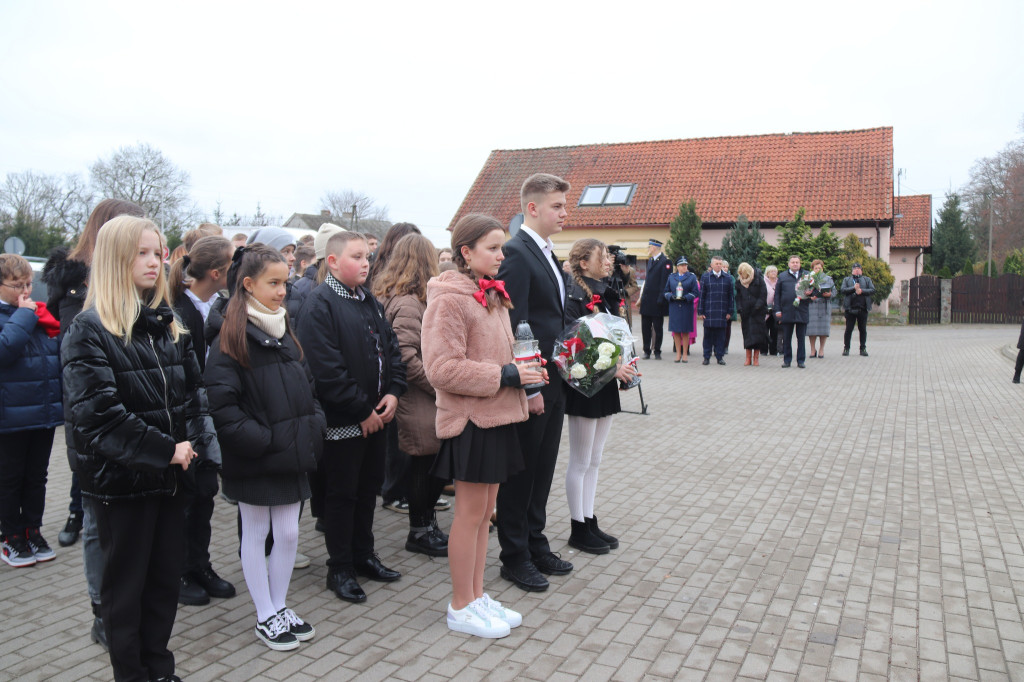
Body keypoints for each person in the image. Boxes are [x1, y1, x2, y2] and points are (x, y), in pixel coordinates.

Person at [62, 215, 215, 682]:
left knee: (163, 584)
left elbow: (195, 397)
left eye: (158, 252)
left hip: (169, 481)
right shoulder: (88, 330)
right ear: (115, 259)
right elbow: (98, 416)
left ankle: (159, 669)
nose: (155, 261)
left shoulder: (167, 325)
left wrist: (202, 456)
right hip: (122, 485)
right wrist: (166, 449)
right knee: (125, 593)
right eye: (142, 253)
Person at [423, 213, 541, 638]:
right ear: (465, 252)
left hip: (499, 415)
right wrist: (507, 376)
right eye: (492, 247)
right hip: (471, 421)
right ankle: (460, 604)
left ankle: (476, 595)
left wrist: (528, 377)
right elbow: (441, 368)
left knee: (486, 513)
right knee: (470, 515)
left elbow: (502, 354)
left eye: (502, 247)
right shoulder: (449, 300)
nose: (500, 255)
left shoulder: (491, 295)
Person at [205, 244, 325, 651]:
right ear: (248, 284)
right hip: (256, 457)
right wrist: (263, 441)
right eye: (273, 283)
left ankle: (280, 604)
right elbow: (223, 405)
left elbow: (309, 389)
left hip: (291, 452)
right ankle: (264, 614)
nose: (282, 291)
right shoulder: (230, 337)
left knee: (289, 533)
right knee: (257, 532)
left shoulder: (285, 331)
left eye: (284, 282)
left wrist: (312, 426)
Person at [41, 198, 145, 651]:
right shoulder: (75, 285)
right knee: (94, 520)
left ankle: (131, 603)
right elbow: (76, 354)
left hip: (140, 416)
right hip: (94, 416)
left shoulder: (144, 287)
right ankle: (101, 608)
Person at [296, 231, 406, 604]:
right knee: (341, 496)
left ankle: (363, 554)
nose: (366, 263)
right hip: (344, 422)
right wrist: (362, 411)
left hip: (376, 418)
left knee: (366, 491)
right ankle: (339, 566)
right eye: (357, 257)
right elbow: (326, 369)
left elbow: (390, 349)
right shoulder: (320, 304)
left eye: (367, 257)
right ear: (332, 261)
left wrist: (393, 392)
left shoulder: (368, 300)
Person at [495, 173, 572, 593]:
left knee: (543, 468)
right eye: (557, 206)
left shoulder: (545, 250)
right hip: (534, 382)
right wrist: (531, 388)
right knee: (522, 471)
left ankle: (536, 541)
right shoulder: (517, 252)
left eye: (564, 205)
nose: (565, 212)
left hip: (555, 376)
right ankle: (515, 555)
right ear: (533, 208)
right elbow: (516, 324)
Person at [169, 236, 236, 606]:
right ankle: (179, 570)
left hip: (212, 415)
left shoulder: (221, 304)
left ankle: (200, 564)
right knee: (186, 497)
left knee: (206, 494)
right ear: (216, 272)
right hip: (185, 417)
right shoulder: (177, 308)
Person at [373, 233, 449, 557]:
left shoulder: (410, 297)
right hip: (417, 395)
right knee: (423, 462)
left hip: (420, 393)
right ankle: (420, 530)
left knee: (429, 462)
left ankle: (427, 524)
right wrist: (438, 386)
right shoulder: (407, 302)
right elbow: (405, 355)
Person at [563, 239, 638, 554]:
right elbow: (571, 346)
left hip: (606, 383)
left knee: (595, 459)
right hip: (585, 386)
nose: (609, 260)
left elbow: (615, 335)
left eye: (609, 256)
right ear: (583, 263)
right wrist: (610, 368)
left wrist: (624, 362)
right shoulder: (573, 297)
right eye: (602, 256)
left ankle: (590, 519)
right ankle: (577, 527)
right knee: (580, 460)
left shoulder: (606, 294)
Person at [0, 254, 62, 568]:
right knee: (10, 478)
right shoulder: (24, 315)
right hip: (9, 416)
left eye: (28, 284)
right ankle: (10, 536)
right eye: (15, 286)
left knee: (37, 477)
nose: (25, 292)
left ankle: (32, 529)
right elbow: (5, 350)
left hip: (42, 411)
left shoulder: (35, 314)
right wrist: (24, 316)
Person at [364, 223, 425, 513]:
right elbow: (404, 352)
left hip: (391, 383)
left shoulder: (384, 289)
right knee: (403, 445)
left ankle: (398, 491)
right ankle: (397, 493)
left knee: (397, 443)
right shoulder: (409, 301)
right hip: (404, 387)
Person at [776, 255, 811, 368]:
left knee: (801, 338)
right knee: (787, 338)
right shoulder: (782, 276)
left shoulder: (807, 275)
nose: (795, 264)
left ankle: (801, 361)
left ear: (800, 263)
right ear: (789, 264)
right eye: (793, 262)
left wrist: (810, 294)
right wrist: (777, 310)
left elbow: (815, 292)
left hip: (802, 310)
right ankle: (787, 360)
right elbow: (777, 295)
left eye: (797, 262)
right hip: (787, 311)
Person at [638, 239, 671, 359]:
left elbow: (664, 281)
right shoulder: (651, 260)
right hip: (647, 300)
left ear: (655, 247)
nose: (648, 248)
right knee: (645, 327)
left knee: (657, 327)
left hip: (657, 301)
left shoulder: (665, 261)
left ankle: (657, 350)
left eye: (650, 246)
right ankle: (646, 350)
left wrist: (661, 298)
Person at [698, 256, 734, 365]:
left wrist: (730, 312)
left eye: (720, 264)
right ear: (712, 265)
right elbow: (702, 295)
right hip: (709, 311)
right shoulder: (705, 277)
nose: (718, 265)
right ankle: (706, 357)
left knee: (721, 336)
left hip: (722, 312)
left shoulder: (727, 278)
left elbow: (730, 296)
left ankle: (720, 356)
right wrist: (701, 311)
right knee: (708, 336)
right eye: (716, 264)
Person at [663, 257, 699, 362]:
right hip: (674, 306)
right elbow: (666, 291)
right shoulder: (671, 277)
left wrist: (687, 297)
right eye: (682, 265)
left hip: (686, 306)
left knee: (685, 331)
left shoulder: (691, 277)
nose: (685, 267)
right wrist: (670, 297)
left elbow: (695, 292)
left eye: (686, 265)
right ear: (677, 267)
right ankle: (678, 353)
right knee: (676, 331)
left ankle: (685, 354)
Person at [734, 262, 769, 366]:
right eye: (741, 273)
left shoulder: (759, 280)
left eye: (744, 273)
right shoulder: (739, 282)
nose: (742, 276)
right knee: (747, 334)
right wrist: (739, 307)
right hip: (745, 312)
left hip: (758, 312)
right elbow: (738, 297)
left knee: (757, 335)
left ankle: (756, 358)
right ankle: (748, 358)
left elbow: (763, 295)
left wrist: (757, 306)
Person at [841, 262, 874, 357]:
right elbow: (843, 290)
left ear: (861, 270)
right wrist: (853, 288)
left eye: (858, 268)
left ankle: (863, 348)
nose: (857, 270)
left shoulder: (867, 280)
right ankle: (846, 348)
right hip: (850, 309)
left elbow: (872, 290)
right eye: (855, 269)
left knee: (863, 329)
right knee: (848, 329)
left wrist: (862, 291)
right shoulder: (847, 280)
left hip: (863, 309)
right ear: (852, 270)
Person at [806, 259, 836, 358]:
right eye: (816, 268)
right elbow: (801, 292)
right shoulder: (808, 279)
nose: (818, 269)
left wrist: (830, 294)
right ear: (812, 269)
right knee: (812, 330)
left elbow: (835, 292)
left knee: (824, 330)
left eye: (820, 268)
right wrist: (809, 296)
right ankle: (812, 349)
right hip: (812, 305)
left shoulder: (828, 279)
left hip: (824, 305)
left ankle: (821, 349)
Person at [763, 266, 781, 356]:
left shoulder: (779, 282)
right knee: (764, 330)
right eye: (771, 271)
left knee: (775, 330)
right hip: (765, 309)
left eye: (775, 271)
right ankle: (764, 350)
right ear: (767, 273)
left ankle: (773, 350)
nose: (773, 273)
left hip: (775, 309)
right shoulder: (763, 281)